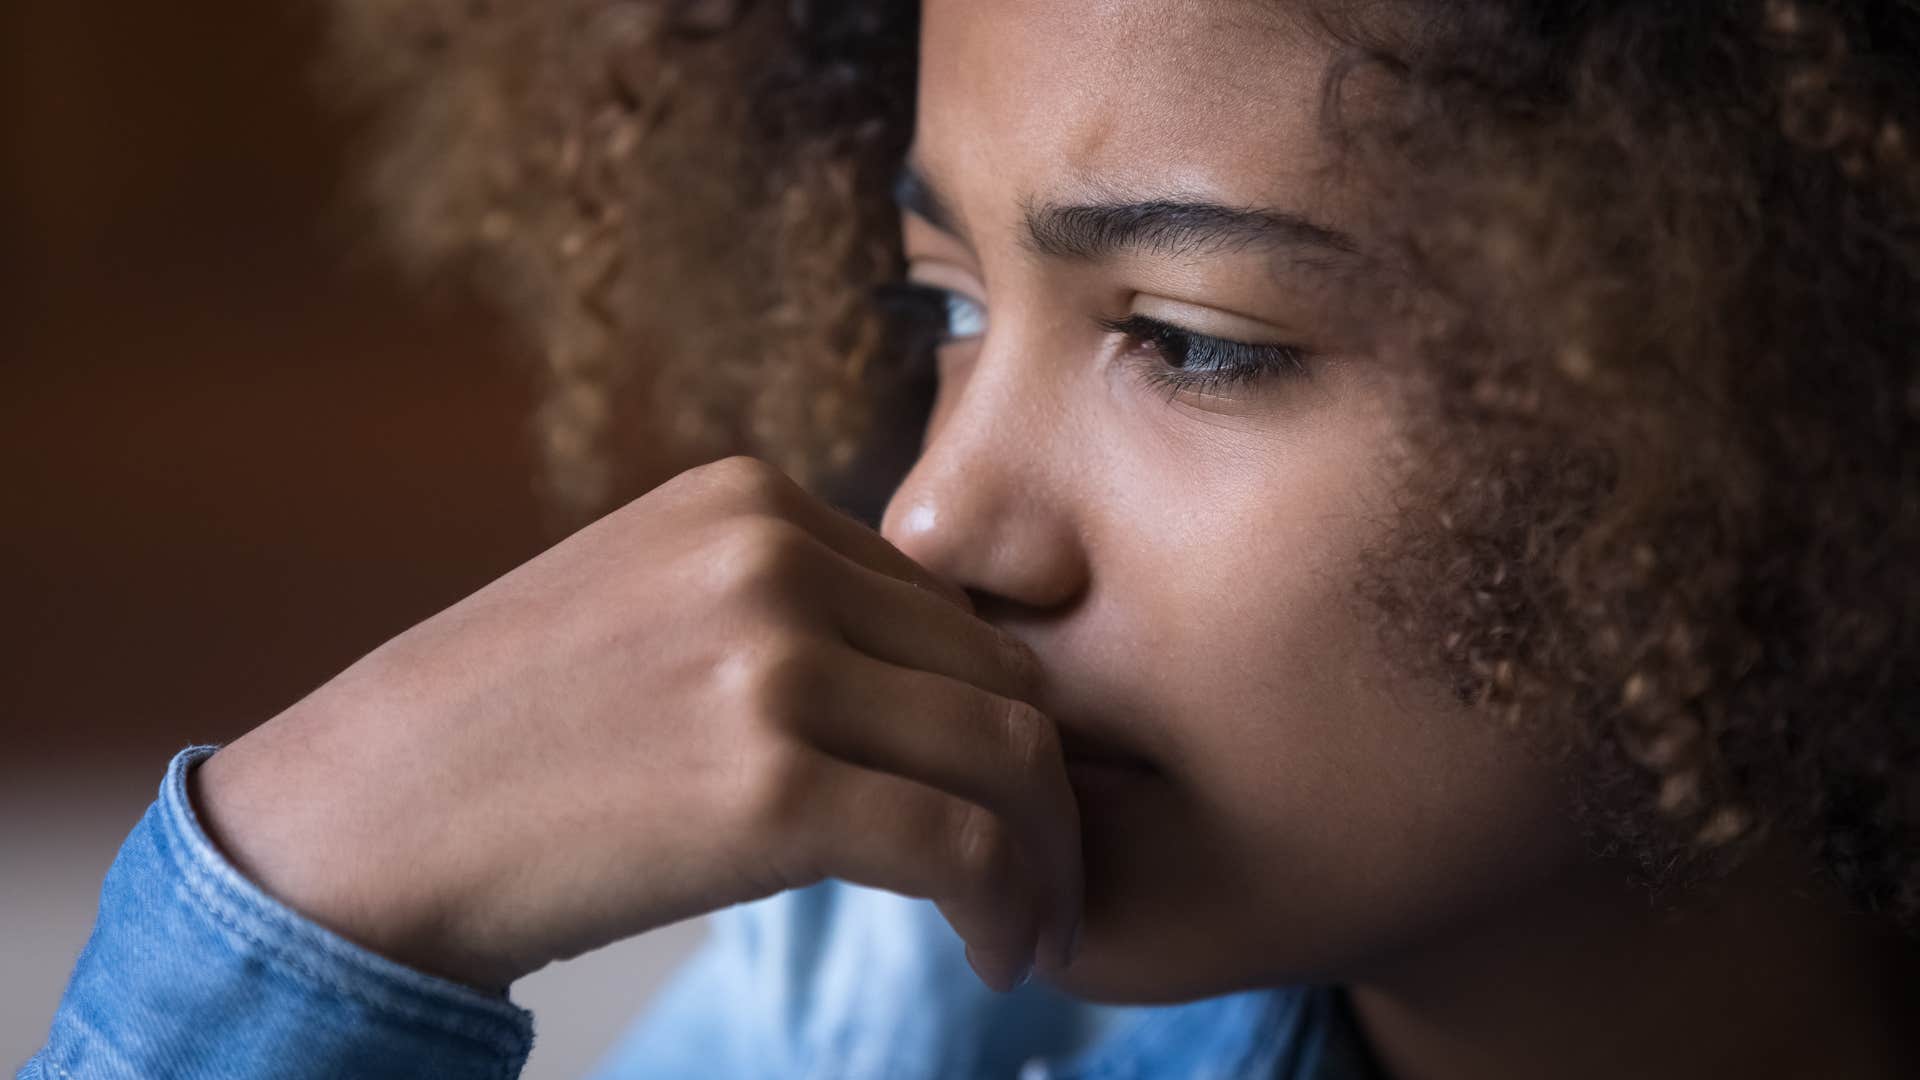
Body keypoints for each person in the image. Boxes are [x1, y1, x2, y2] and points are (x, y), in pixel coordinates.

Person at [21, 0, 1920, 1077]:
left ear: (1780, 372)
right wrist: (317, 880)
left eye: (1191, 342)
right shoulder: (886, 1019)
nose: (932, 516)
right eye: (947, 306)